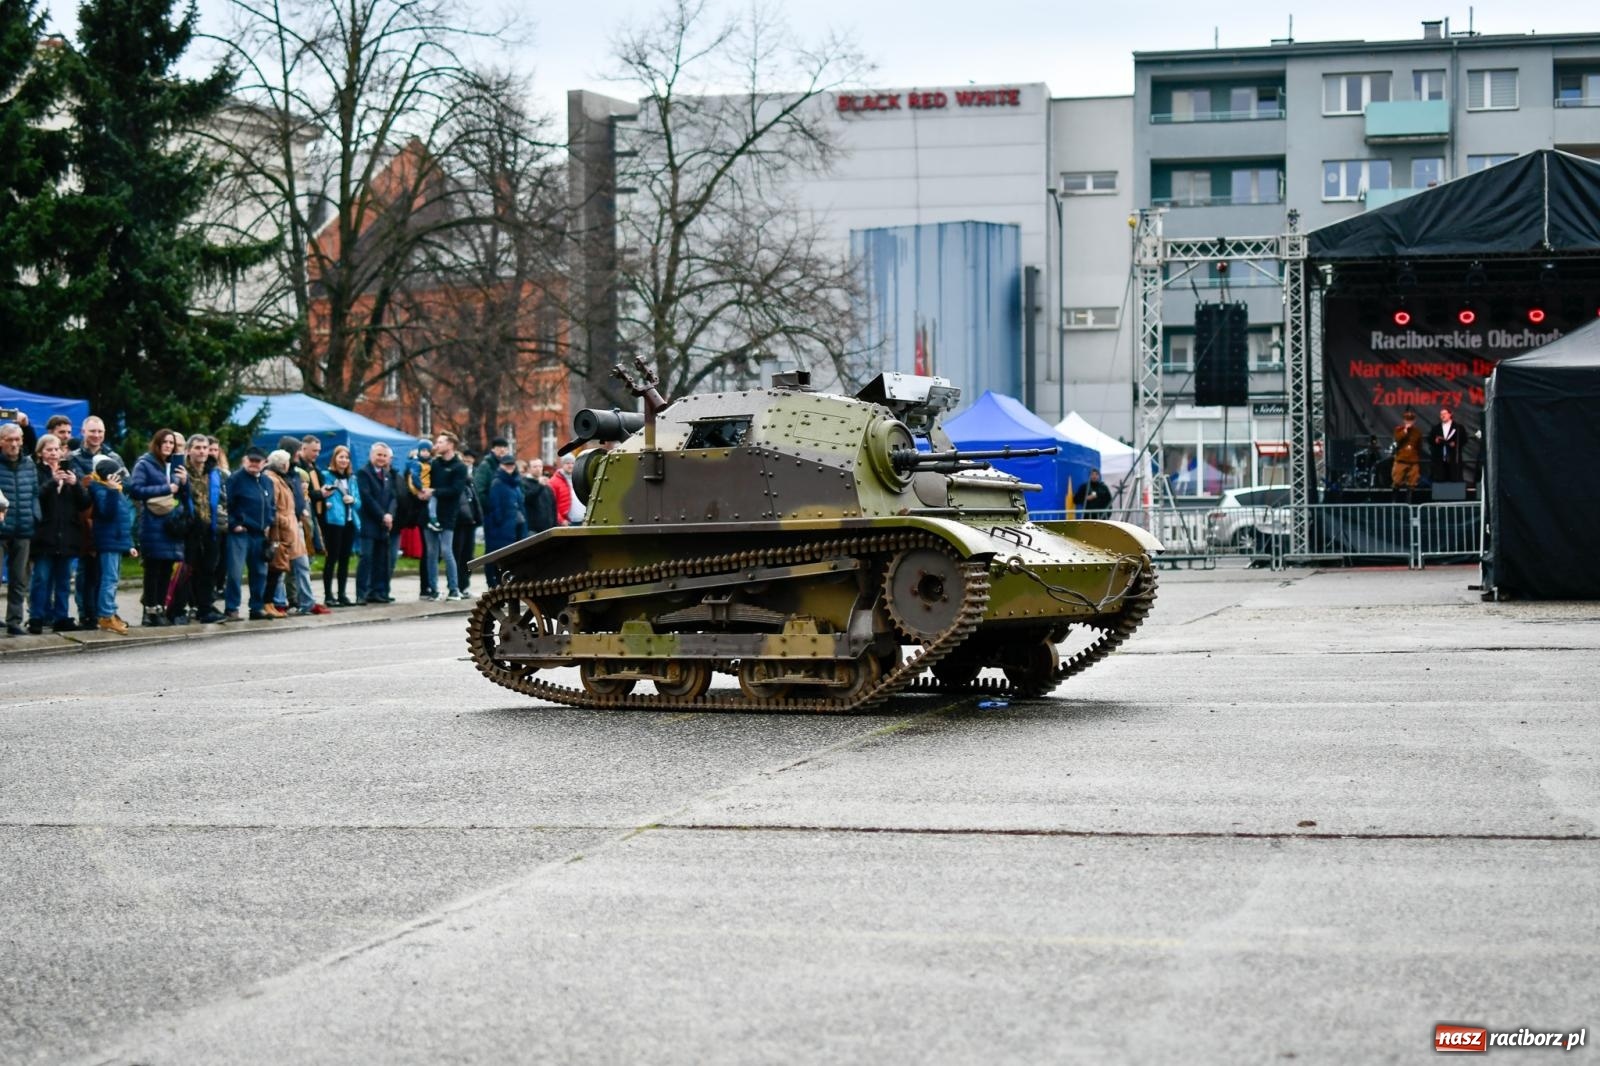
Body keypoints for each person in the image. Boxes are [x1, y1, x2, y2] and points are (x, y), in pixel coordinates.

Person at [126, 427, 189, 627]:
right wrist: (165, 488)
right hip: (153, 523)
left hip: (172, 524)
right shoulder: (145, 464)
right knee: (152, 569)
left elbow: (183, 495)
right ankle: (149, 609)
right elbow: (135, 490)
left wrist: (185, 483)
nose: (169, 447)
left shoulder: (175, 465)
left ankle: (161, 607)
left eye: (172, 443)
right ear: (157, 443)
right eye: (165, 442)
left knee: (165, 568)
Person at [68, 415, 125, 628]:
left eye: (100, 431)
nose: (97, 435)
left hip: (107, 519)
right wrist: (98, 485)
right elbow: (80, 486)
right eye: (92, 431)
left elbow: (123, 482)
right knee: (86, 569)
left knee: (106, 573)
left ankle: (106, 612)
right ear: (83, 432)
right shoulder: (73, 457)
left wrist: (98, 484)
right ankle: (86, 612)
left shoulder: (114, 457)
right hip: (83, 518)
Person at [28, 434, 88, 633]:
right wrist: (52, 482)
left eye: (56, 449)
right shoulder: (37, 472)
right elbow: (35, 496)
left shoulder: (70, 472)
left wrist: (75, 484)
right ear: (40, 453)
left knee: (63, 581)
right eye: (49, 450)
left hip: (67, 536)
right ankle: (37, 617)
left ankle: (61, 616)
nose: (54, 453)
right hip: (45, 535)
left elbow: (84, 503)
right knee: (41, 579)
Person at [224, 446, 276, 621]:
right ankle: (232, 608)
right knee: (235, 572)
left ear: (264, 463)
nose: (254, 464)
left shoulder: (267, 482)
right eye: (251, 460)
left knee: (260, 572)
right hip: (240, 532)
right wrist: (234, 524)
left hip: (260, 534)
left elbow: (271, 505)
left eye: (257, 461)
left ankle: (256, 607)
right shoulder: (235, 479)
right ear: (244, 460)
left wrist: (269, 521)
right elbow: (226, 504)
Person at [182, 434, 227, 624]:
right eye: (198, 447)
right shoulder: (182, 471)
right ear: (189, 450)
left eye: (205, 448)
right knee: (186, 570)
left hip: (210, 526)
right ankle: (179, 608)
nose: (202, 451)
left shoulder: (213, 472)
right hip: (189, 527)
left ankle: (205, 609)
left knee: (208, 570)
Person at [266, 449, 316, 616]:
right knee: (280, 567)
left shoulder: (286, 477)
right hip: (283, 529)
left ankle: (307, 602)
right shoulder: (273, 479)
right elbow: (274, 506)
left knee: (301, 565)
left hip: (292, 527)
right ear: (282, 464)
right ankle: (279, 602)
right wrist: (284, 522)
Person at [87, 456, 134, 634]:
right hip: (108, 542)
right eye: (117, 474)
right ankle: (106, 615)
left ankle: (111, 612)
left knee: (113, 579)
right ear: (109, 477)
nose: (121, 478)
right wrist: (113, 492)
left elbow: (123, 521)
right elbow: (107, 513)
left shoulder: (114, 490)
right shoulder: (101, 489)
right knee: (109, 579)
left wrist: (129, 544)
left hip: (116, 541)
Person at [0, 421, 38, 635]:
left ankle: (14, 621)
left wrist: (34, 515)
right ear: (1, 442)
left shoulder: (29, 464)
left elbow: (33, 492)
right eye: (10, 440)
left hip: (23, 528)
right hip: (1, 528)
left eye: (18, 439)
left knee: (19, 579)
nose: (14, 444)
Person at [426, 432, 469, 601]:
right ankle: (433, 588)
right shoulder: (435, 464)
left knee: (446, 550)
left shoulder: (459, 467)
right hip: (430, 513)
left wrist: (435, 492)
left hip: (448, 514)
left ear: (451, 444)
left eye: (441, 441)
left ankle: (454, 588)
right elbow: (427, 482)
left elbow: (456, 490)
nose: (437, 444)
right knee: (431, 552)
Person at [356, 442, 399, 604]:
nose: (381, 458)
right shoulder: (363, 473)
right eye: (378, 455)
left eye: (384, 455)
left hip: (384, 524)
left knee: (382, 559)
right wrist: (382, 515)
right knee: (366, 558)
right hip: (370, 522)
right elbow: (367, 498)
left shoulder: (387, 474)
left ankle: (379, 591)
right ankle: (362, 593)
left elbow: (393, 497)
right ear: (371, 455)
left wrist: (390, 515)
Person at [321, 444, 361, 606]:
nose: (344, 460)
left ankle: (342, 594)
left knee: (345, 560)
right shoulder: (326, 476)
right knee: (332, 558)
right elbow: (323, 496)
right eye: (341, 457)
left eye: (346, 457)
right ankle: (328, 595)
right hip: (334, 522)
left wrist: (353, 500)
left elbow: (359, 502)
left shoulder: (352, 479)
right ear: (334, 459)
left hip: (349, 522)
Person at [481, 452, 527, 588]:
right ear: (501, 466)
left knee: (511, 557)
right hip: (500, 527)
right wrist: (499, 522)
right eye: (506, 465)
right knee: (494, 556)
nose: (509, 467)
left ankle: (507, 583)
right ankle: (493, 583)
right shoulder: (497, 482)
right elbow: (494, 506)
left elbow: (520, 504)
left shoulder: (516, 483)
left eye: (511, 465)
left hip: (516, 526)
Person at [1391, 408, 1424, 501]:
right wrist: (1405, 431)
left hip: (1413, 460)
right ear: (1404, 421)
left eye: (1411, 420)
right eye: (1407, 420)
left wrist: (1416, 455)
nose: (1409, 422)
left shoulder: (1417, 432)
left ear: (1414, 421)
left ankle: (1408, 502)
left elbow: (1419, 446)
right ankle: (1394, 501)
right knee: (1397, 481)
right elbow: (1397, 439)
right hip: (1401, 459)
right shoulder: (1399, 430)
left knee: (1412, 483)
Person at [522, 458, 558, 535]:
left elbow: (553, 507)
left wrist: (555, 525)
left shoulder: (547, 487)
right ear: (529, 469)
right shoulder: (524, 483)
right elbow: (527, 499)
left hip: (548, 529)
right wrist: (540, 486)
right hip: (532, 530)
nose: (538, 469)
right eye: (535, 467)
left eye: (540, 466)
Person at [1430, 407, 1465, 483]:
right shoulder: (1436, 428)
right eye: (1441, 414)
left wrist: (1455, 444)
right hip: (1440, 457)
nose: (1442, 416)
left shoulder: (1458, 427)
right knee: (1440, 478)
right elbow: (1430, 440)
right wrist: (1435, 441)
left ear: (1450, 414)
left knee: (1454, 477)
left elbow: (1464, 439)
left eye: (1444, 414)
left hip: (1453, 457)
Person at [548, 453, 574, 527]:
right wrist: (561, 520)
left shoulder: (578, 479)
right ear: (562, 465)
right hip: (565, 523)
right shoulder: (553, 482)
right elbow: (551, 504)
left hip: (581, 521)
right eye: (567, 463)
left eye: (572, 463)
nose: (570, 466)